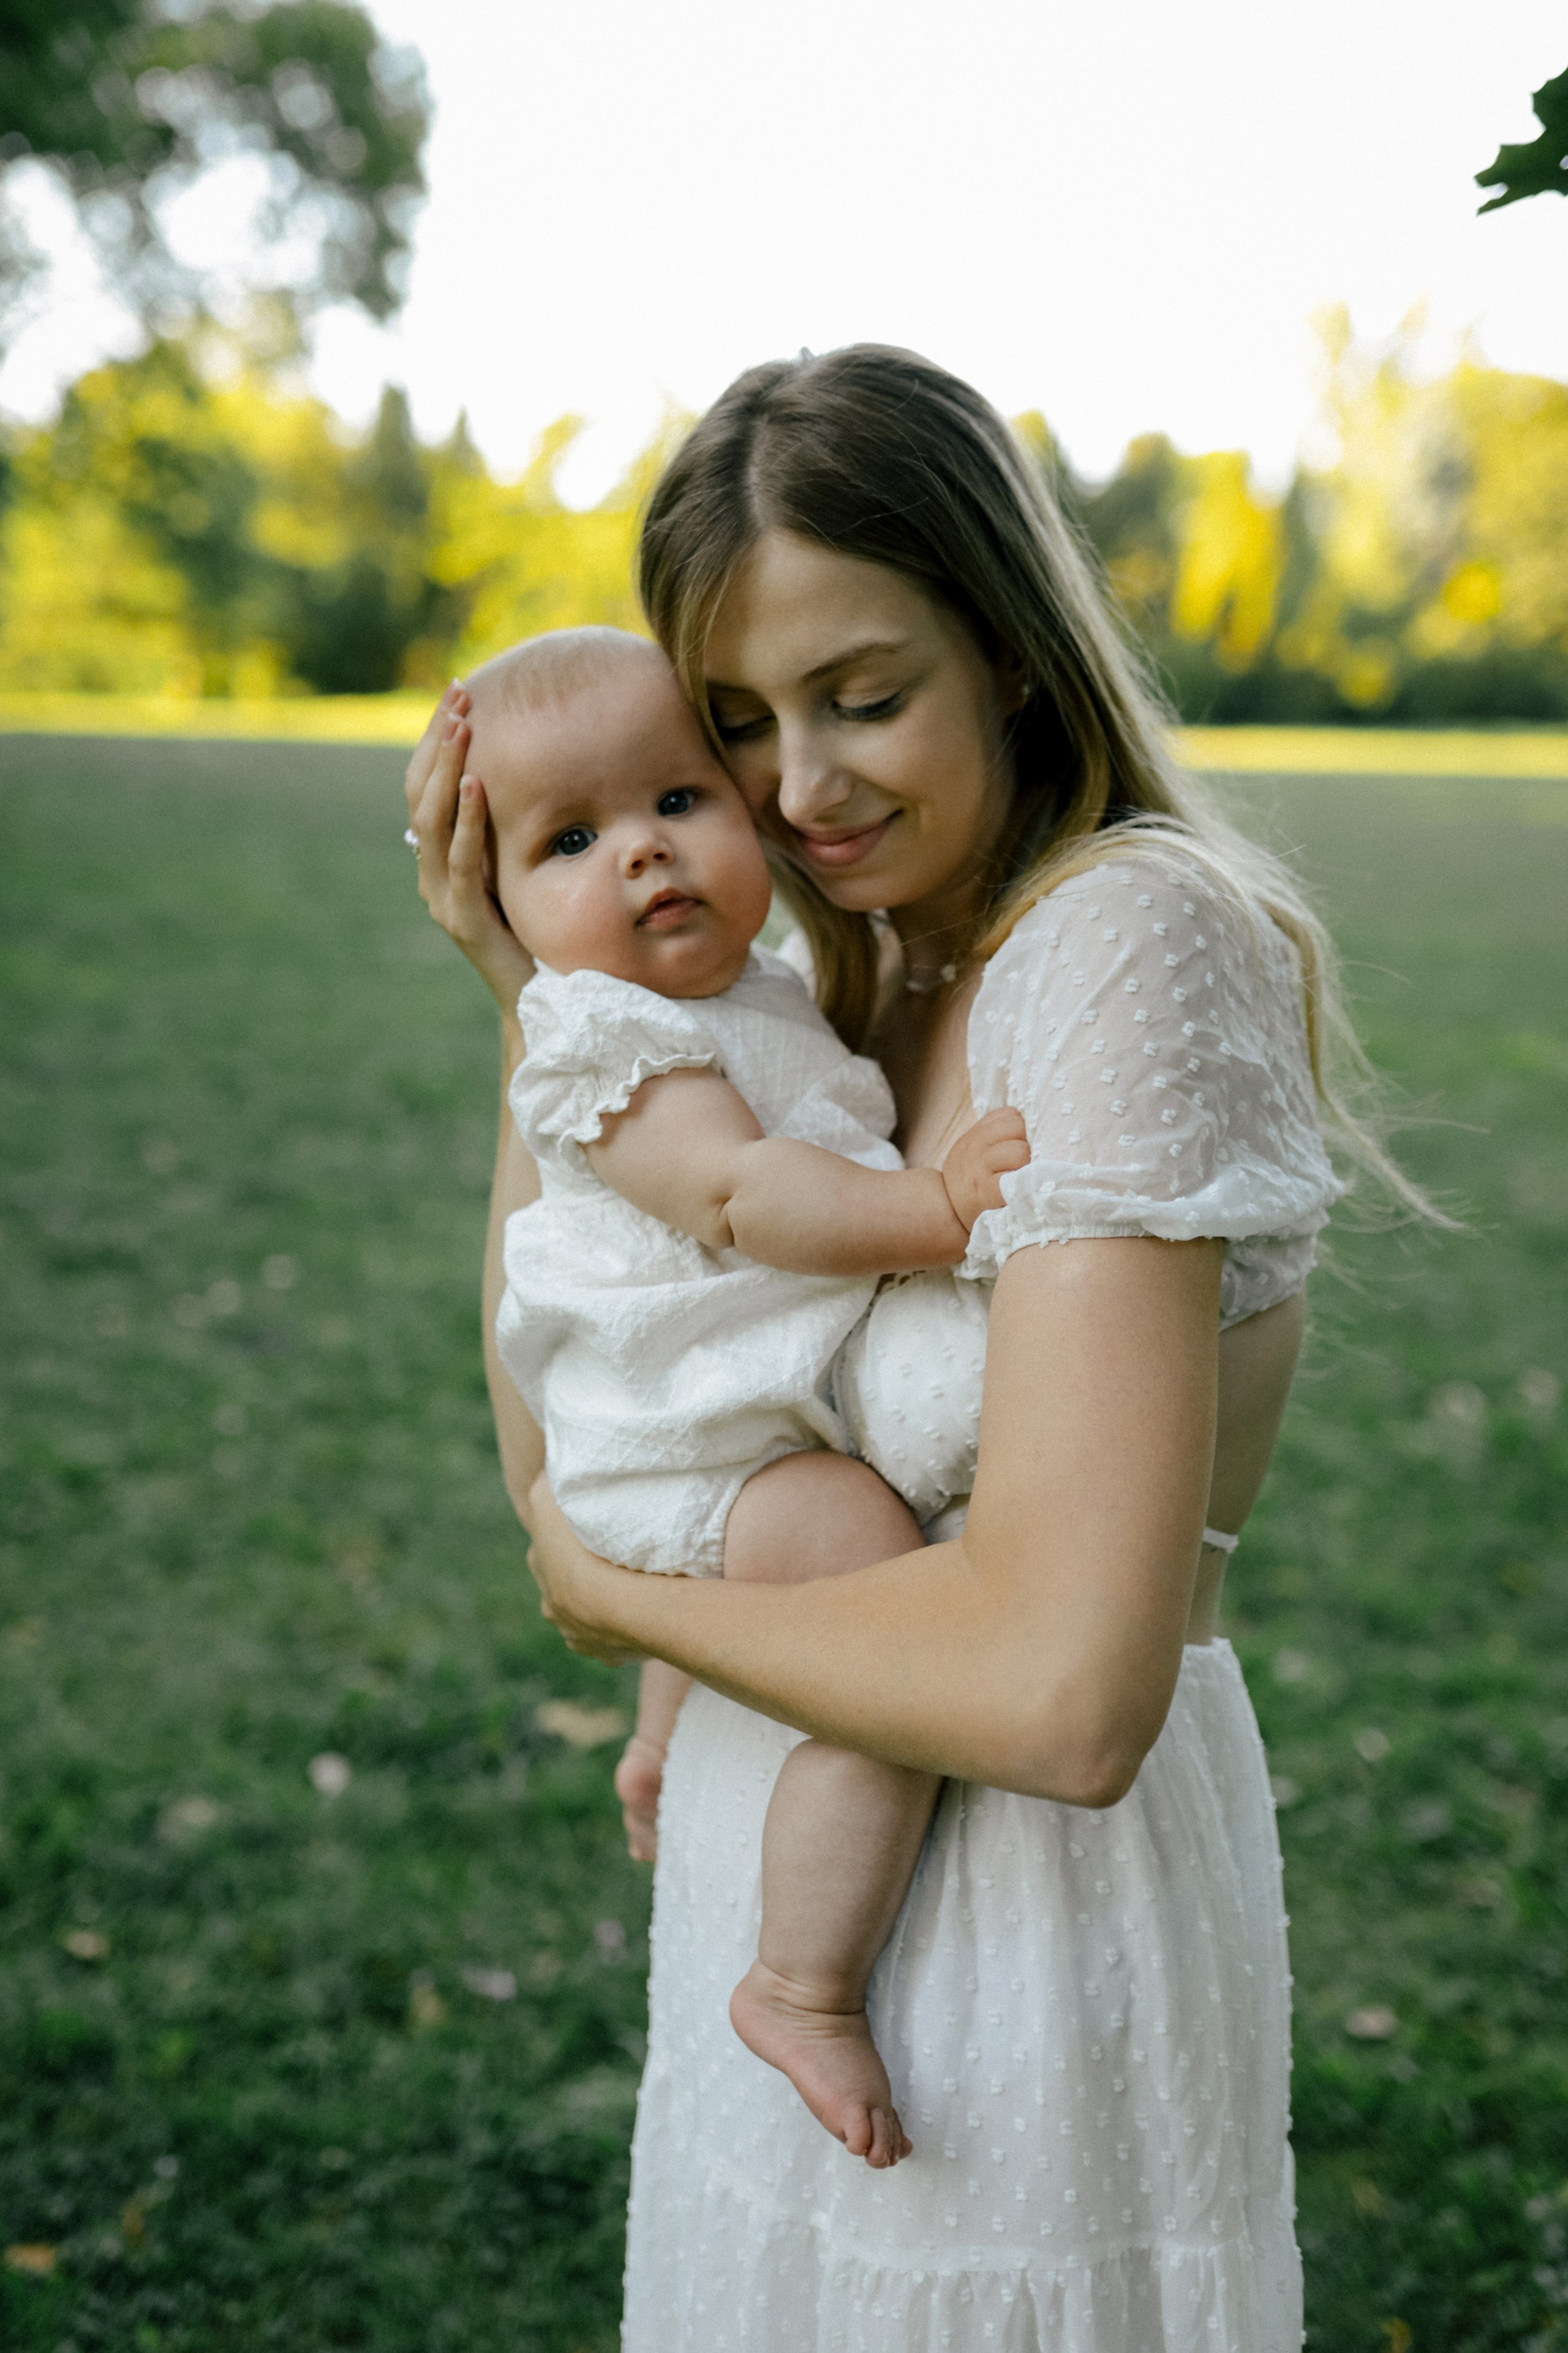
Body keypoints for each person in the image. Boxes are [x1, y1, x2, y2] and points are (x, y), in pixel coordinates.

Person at [405, 345, 1420, 2351]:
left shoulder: (1123, 943)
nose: (802, 788)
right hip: (775, 1886)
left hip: (1022, 1950)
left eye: (865, 696)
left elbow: (1060, 1699)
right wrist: (549, 1014)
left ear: (1014, 649)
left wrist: (627, 1603)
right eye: (744, 725)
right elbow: (580, 1421)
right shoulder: (841, 986)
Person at [456, 624, 1029, 2170]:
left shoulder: (768, 985)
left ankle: (665, 1730)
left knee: (818, 1513)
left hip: (737, 1397)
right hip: (676, 1437)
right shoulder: (592, 1036)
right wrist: (933, 1209)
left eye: (674, 801)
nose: (640, 855)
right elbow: (737, 1196)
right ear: (501, 904)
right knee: (871, 1579)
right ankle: (800, 1980)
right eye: (569, 840)